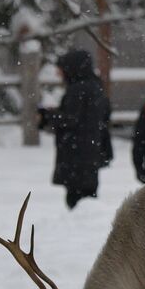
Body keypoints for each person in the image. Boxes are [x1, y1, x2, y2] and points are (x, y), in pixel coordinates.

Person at [39, 49, 113, 209]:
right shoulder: (95, 86)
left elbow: (70, 119)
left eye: (62, 69)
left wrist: (47, 116)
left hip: (77, 154)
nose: (59, 74)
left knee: (76, 199)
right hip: (91, 151)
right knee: (88, 198)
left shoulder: (78, 89)